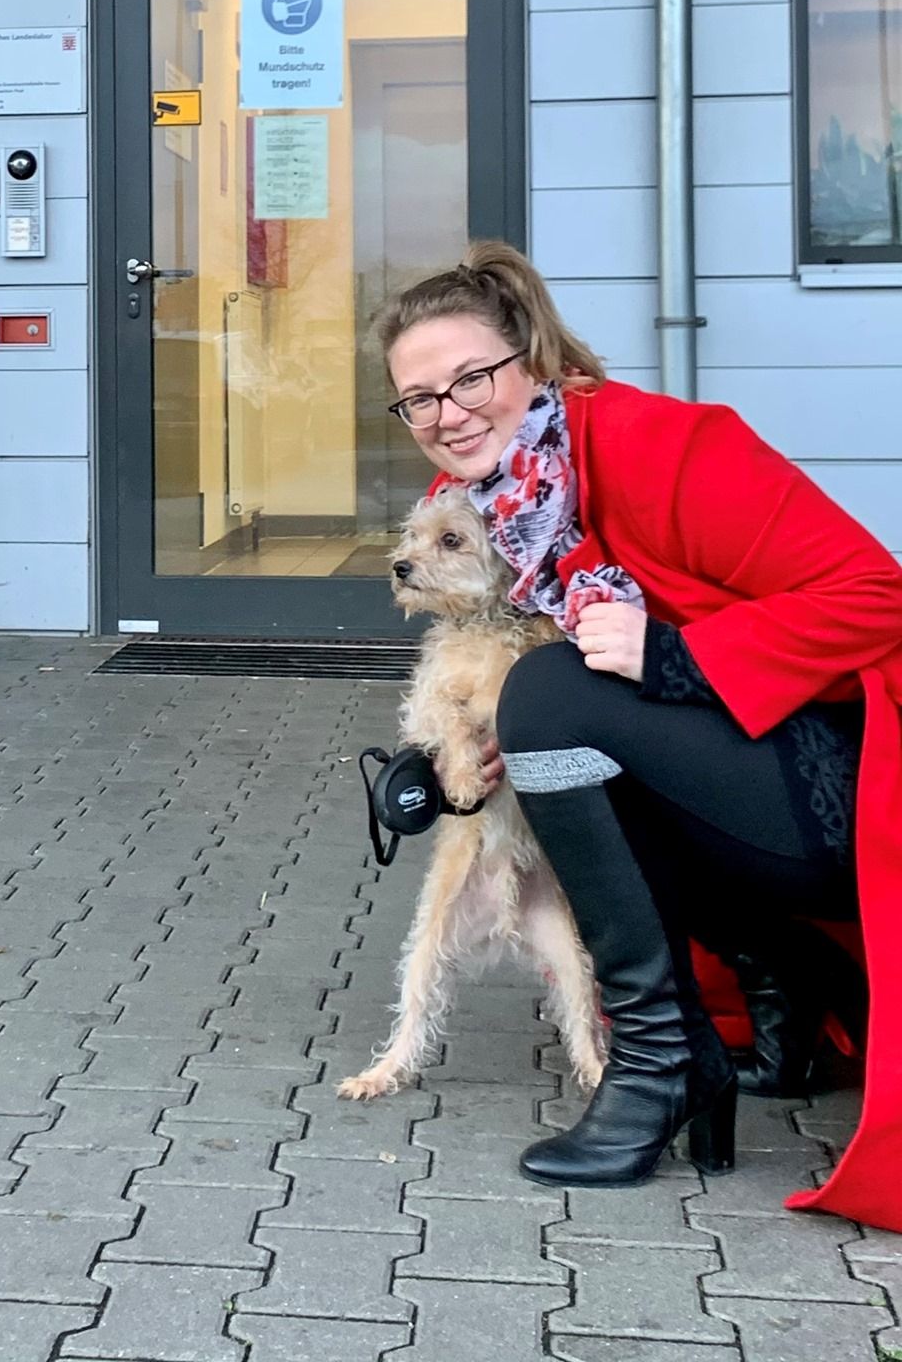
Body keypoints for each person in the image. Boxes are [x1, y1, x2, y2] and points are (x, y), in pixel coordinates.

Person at [378, 239, 902, 1229]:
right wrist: (447, 768)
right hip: (755, 781)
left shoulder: (661, 444)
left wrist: (678, 658)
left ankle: (663, 1061)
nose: (449, 413)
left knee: (552, 696)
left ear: (532, 357)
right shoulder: (514, 512)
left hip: (850, 787)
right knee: (546, 715)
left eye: (471, 376)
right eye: (420, 399)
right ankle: (783, 982)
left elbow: (881, 594)